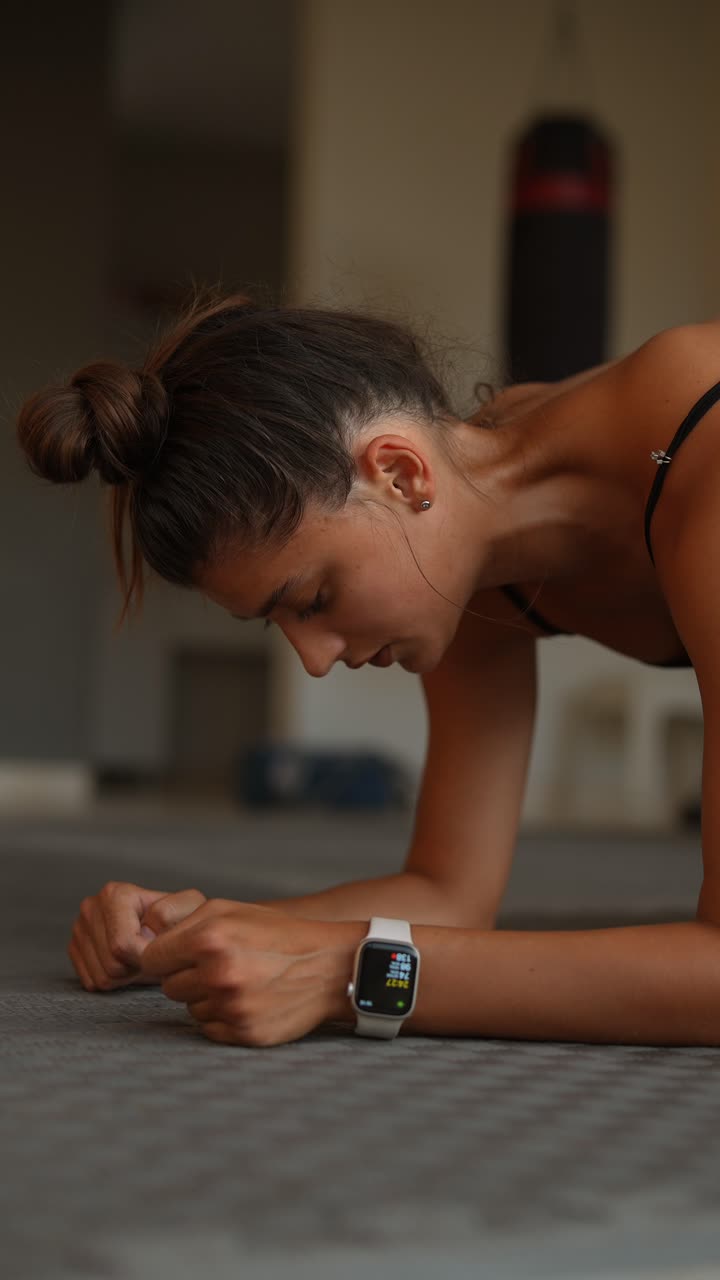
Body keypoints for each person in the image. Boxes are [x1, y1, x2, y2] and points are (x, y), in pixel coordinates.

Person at [16, 289, 720, 1048]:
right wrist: (193, 933)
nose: (315, 661)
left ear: (400, 474)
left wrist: (346, 974)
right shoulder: (471, 551)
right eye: (277, 624)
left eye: (314, 599)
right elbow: (446, 892)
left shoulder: (700, 452)